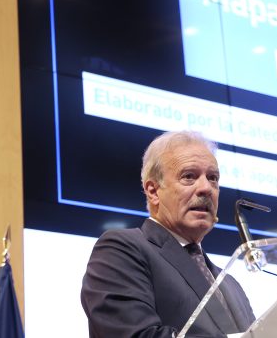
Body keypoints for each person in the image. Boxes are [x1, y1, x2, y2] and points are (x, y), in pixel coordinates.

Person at [81, 131, 255, 337]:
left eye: (213, 178)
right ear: (153, 191)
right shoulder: (120, 250)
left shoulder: (230, 284)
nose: (206, 188)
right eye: (189, 176)